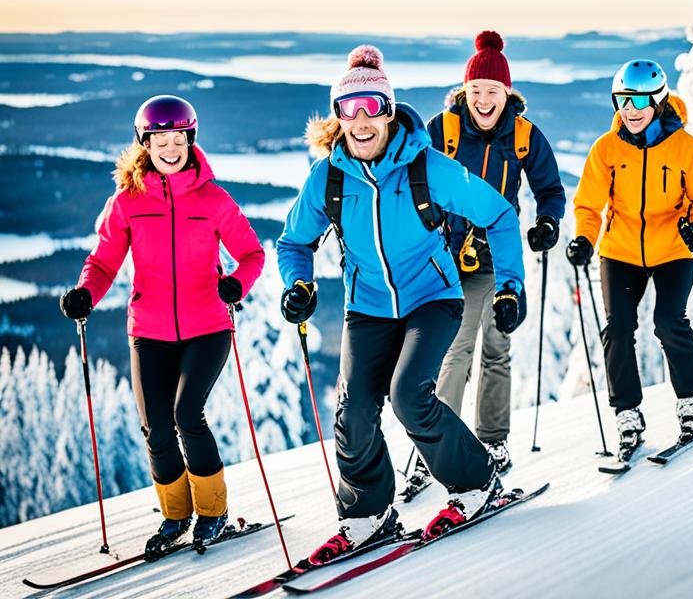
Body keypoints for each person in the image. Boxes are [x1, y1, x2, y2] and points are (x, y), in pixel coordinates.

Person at [276, 45, 527, 564]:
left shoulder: (426, 167)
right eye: (350, 109)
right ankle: (369, 512)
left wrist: (510, 286)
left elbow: (499, 214)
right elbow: (293, 243)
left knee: (410, 394)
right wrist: (299, 284)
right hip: (366, 306)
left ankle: (477, 482)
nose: (362, 120)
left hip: (432, 298)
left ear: (389, 110)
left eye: (372, 106)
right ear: (338, 117)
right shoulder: (329, 178)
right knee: (354, 409)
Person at [59, 95, 265, 555]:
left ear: (190, 141)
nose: (170, 148)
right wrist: (86, 293)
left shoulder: (212, 198)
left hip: (208, 326)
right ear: (144, 144)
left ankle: (213, 511)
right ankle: (176, 515)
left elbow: (252, 254)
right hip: (148, 330)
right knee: (155, 426)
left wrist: (235, 284)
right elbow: (104, 261)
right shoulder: (127, 202)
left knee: (187, 414)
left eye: (178, 139)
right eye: (160, 140)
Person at [394, 31, 564, 495]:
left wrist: (547, 223)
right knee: (456, 349)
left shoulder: (524, 136)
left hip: (493, 254)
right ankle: (438, 446)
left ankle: (492, 441)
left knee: (497, 346)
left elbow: (550, 189)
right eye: (475, 91)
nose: (483, 100)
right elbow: (408, 173)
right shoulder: (442, 129)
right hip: (443, 258)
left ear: (507, 93)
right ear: (464, 92)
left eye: (492, 92)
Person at [567, 59, 693, 460]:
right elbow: (588, 205)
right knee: (617, 328)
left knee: (668, 321)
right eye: (621, 100)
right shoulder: (606, 149)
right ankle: (628, 413)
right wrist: (584, 239)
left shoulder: (686, 147)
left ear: (658, 99)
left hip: (673, 247)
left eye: (637, 100)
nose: (629, 110)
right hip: (620, 250)